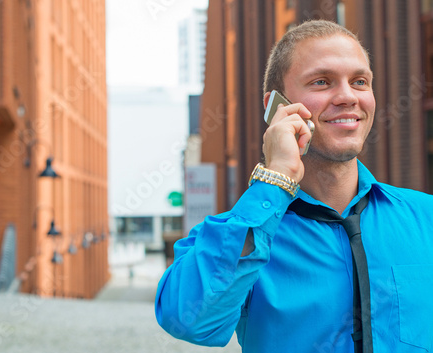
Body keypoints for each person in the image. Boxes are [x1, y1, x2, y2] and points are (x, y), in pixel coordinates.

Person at [155, 19, 433, 353]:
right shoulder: (240, 236)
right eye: (322, 81)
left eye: (360, 81)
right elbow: (189, 321)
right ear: (277, 106)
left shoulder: (425, 217)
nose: (347, 96)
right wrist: (277, 176)